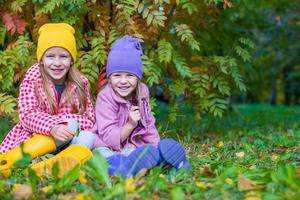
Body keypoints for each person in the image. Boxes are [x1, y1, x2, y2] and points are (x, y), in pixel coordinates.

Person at [0, 23, 95, 177]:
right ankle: (7, 164)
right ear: (42, 59)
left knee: (88, 137)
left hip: (68, 140)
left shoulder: (80, 83)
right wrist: (53, 126)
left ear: (71, 60)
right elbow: (27, 115)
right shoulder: (33, 79)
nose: (57, 63)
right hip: (36, 140)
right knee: (69, 123)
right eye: (50, 56)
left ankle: (47, 169)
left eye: (63, 56)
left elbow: (89, 120)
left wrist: (63, 124)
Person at [92, 35, 191, 177]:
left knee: (147, 152)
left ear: (138, 77)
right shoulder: (105, 97)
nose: (123, 81)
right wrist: (130, 124)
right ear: (109, 78)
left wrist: (157, 146)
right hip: (106, 144)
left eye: (130, 75)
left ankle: (167, 161)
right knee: (101, 155)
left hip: (132, 146)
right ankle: (120, 167)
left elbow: (148, 123)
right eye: (117, 75)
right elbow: (107, 136)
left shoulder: (142, 92)